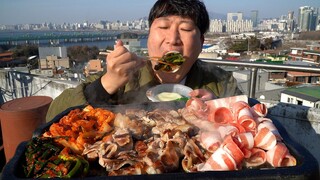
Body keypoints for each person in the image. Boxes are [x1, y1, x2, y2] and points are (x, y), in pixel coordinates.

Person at [45, 0, 242, 121]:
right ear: (148, 37)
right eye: (163, 27)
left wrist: (217, 108)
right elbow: (53, 115)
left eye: (186, 29)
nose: (172, 39)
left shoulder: (220, 83)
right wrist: (105, 85)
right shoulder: (122, 76)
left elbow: (250, 120)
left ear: (200, 42)